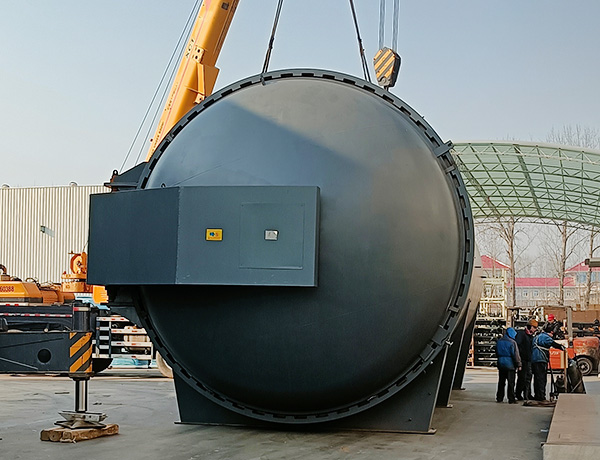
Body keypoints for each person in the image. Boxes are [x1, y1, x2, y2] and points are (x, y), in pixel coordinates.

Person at [531, 324, 566, 401]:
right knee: (541, 379)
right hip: (540, 359)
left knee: (537, 379)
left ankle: (537, 395)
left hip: (535, 360)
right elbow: (552, 343)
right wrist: (561, 347)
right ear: (551, 332)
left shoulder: (537, 336)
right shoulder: (545, 337)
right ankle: (541, 396)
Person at [495, 327, 522, 403]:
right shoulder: (512, 342)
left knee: (501, 382)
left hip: (501, 363)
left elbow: (496, 352)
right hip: (510, 365)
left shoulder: (499, 341)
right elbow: (516, 355)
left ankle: (499, 398)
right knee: (511, 383)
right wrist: (519, 364)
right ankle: (511, 399)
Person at [515, 319, 538, 400]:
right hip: (523, 360)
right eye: (534, 327)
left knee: (528, 377)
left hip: (528, 360)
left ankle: (527, 394)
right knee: (522, 378)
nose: (535, 330)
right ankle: (518, 394)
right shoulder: (522, 335)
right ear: (530, 326)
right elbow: (518, 346)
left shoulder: (530, 336)